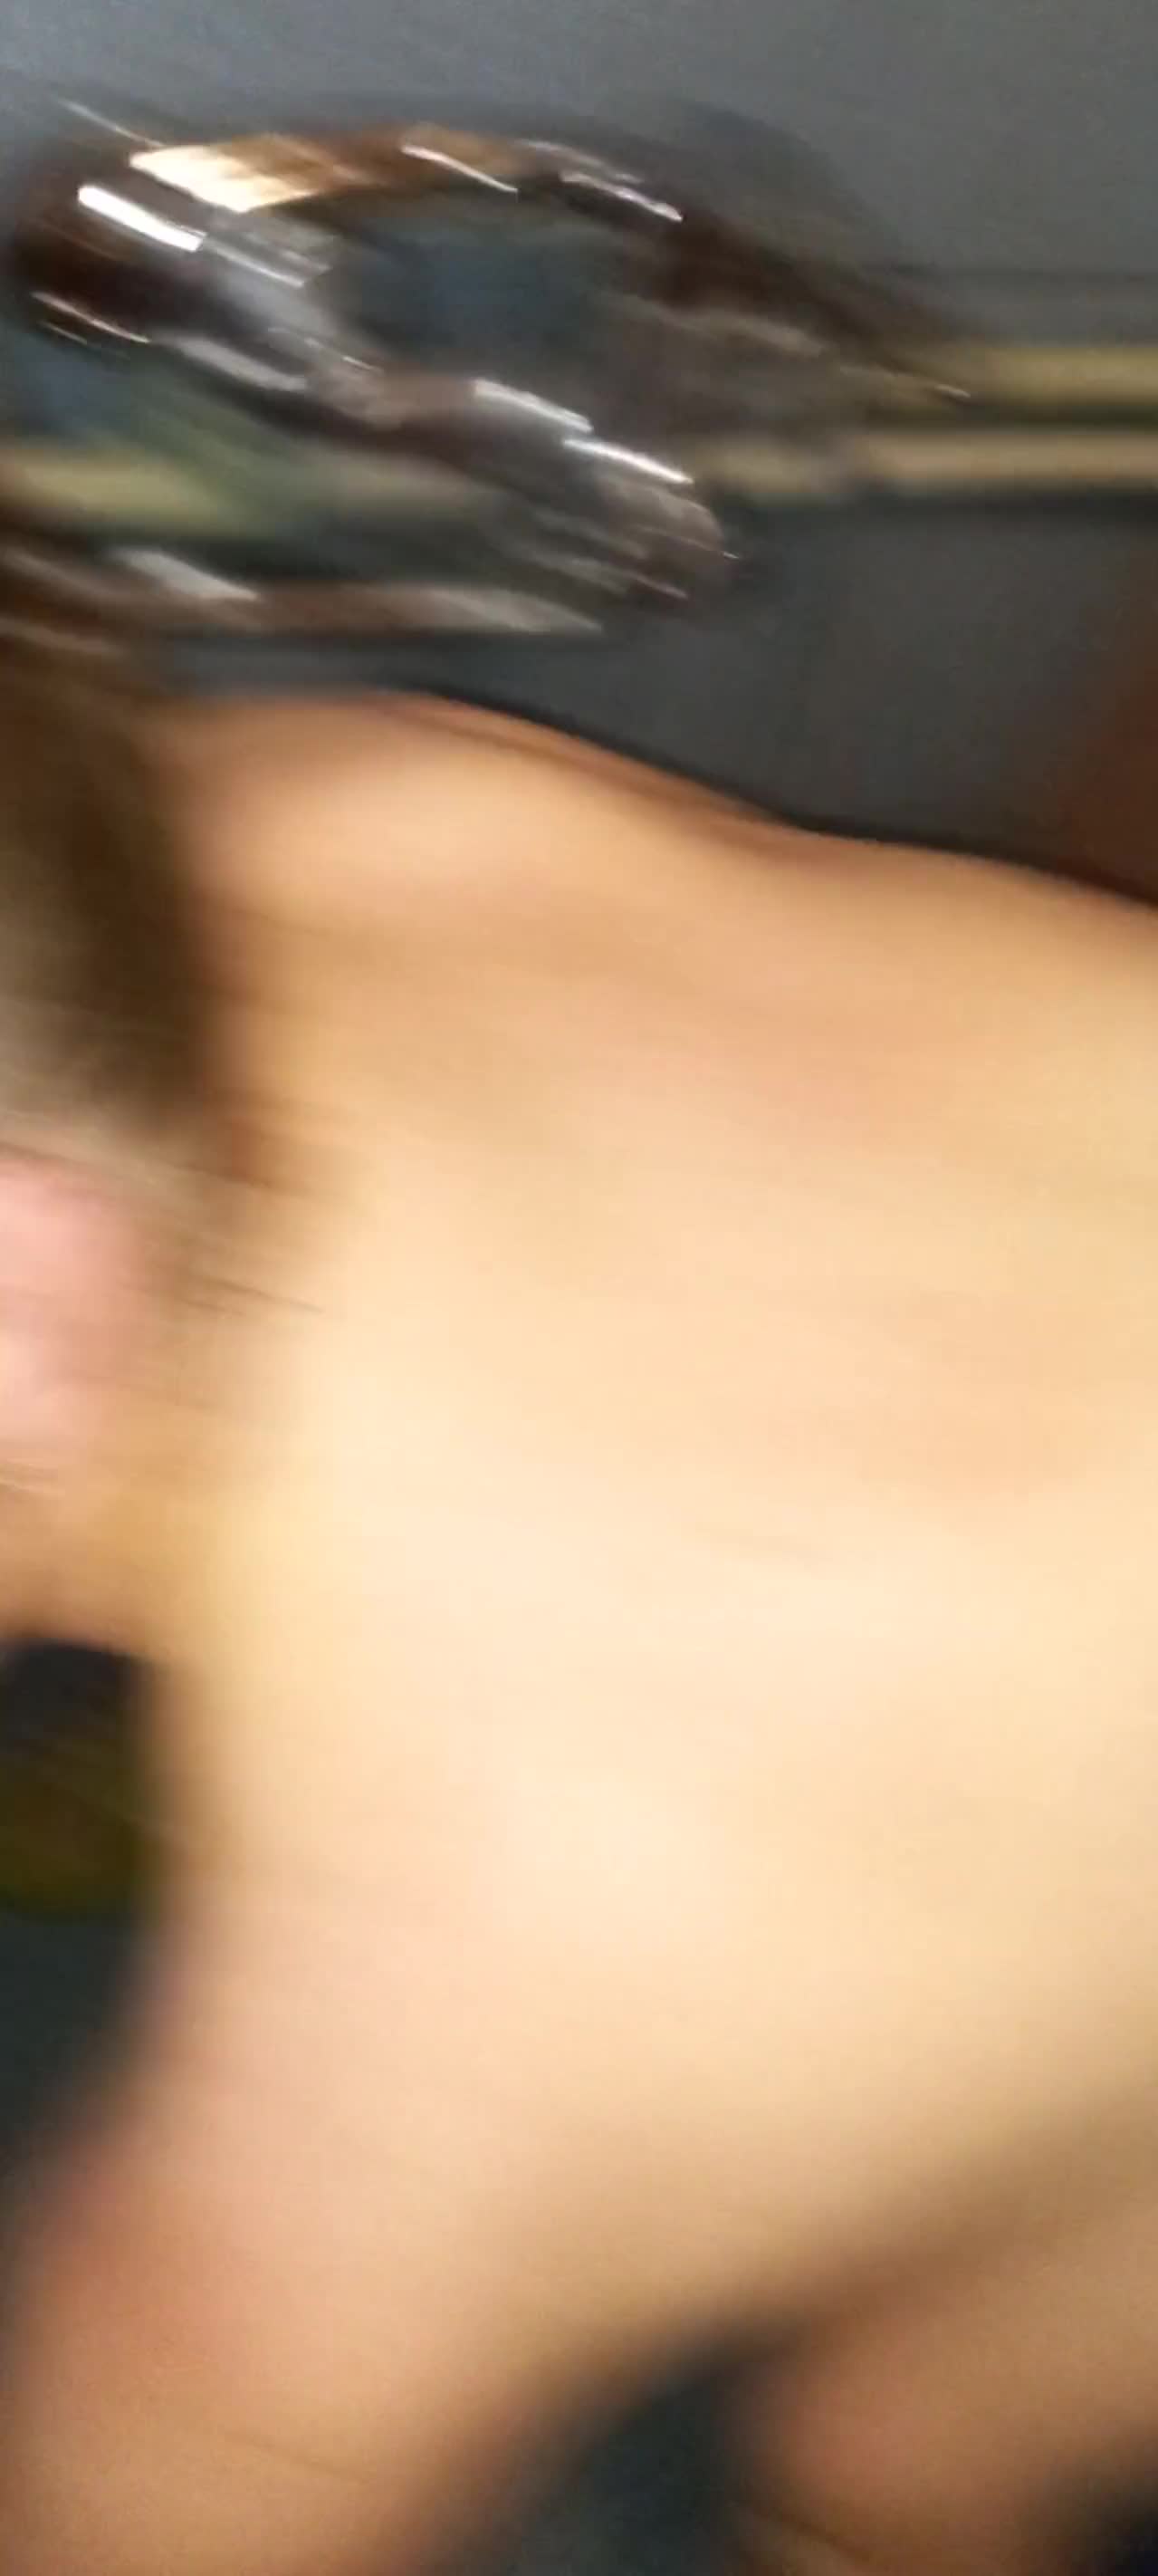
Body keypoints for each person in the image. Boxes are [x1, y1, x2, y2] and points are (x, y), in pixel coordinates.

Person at [4, 655, 1158, 2576]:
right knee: (896, 2439)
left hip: (809, 1725)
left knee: (902, 2461)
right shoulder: (286, 808)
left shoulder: (339, 2190)